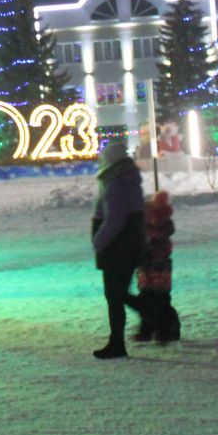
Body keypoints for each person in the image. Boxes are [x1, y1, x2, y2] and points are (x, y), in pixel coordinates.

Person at [90, 134, 146, 358]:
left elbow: (115, 219)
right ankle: (146, 315)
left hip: (117, 247)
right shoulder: (126, 180)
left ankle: (118, 342)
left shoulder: (116, 184)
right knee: (118, 293)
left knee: (114, 295)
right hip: (127, 245)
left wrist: (99, 241)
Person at [133, 185, 180, 344]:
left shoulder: (164, 225)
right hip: (148, 265)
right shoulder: (146, 223)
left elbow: (162, 238)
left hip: (158, 265)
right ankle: (149, 329)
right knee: (147, 297)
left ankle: (164, 329)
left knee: (159, 299)